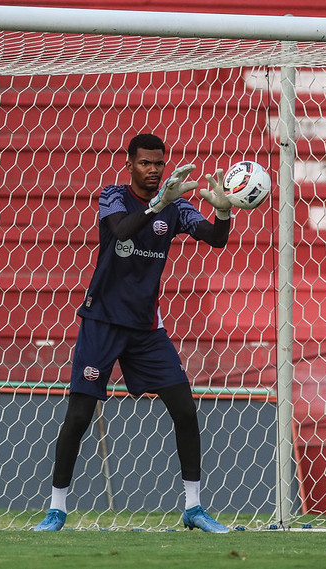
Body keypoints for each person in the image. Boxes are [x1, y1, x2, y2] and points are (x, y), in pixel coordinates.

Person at [33, 133, 234, 533]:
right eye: (145, 163)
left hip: (145, 327)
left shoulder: (176, 204)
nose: (154, 170)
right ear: (129, 164)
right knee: (79, 416)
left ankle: (193, 507)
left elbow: (214, 240)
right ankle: (56, 510)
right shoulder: (113, 196)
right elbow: (121, 231)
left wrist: (224, 212)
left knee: (184, 407)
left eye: (159, 163)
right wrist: (161, 202)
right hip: (103, 321)